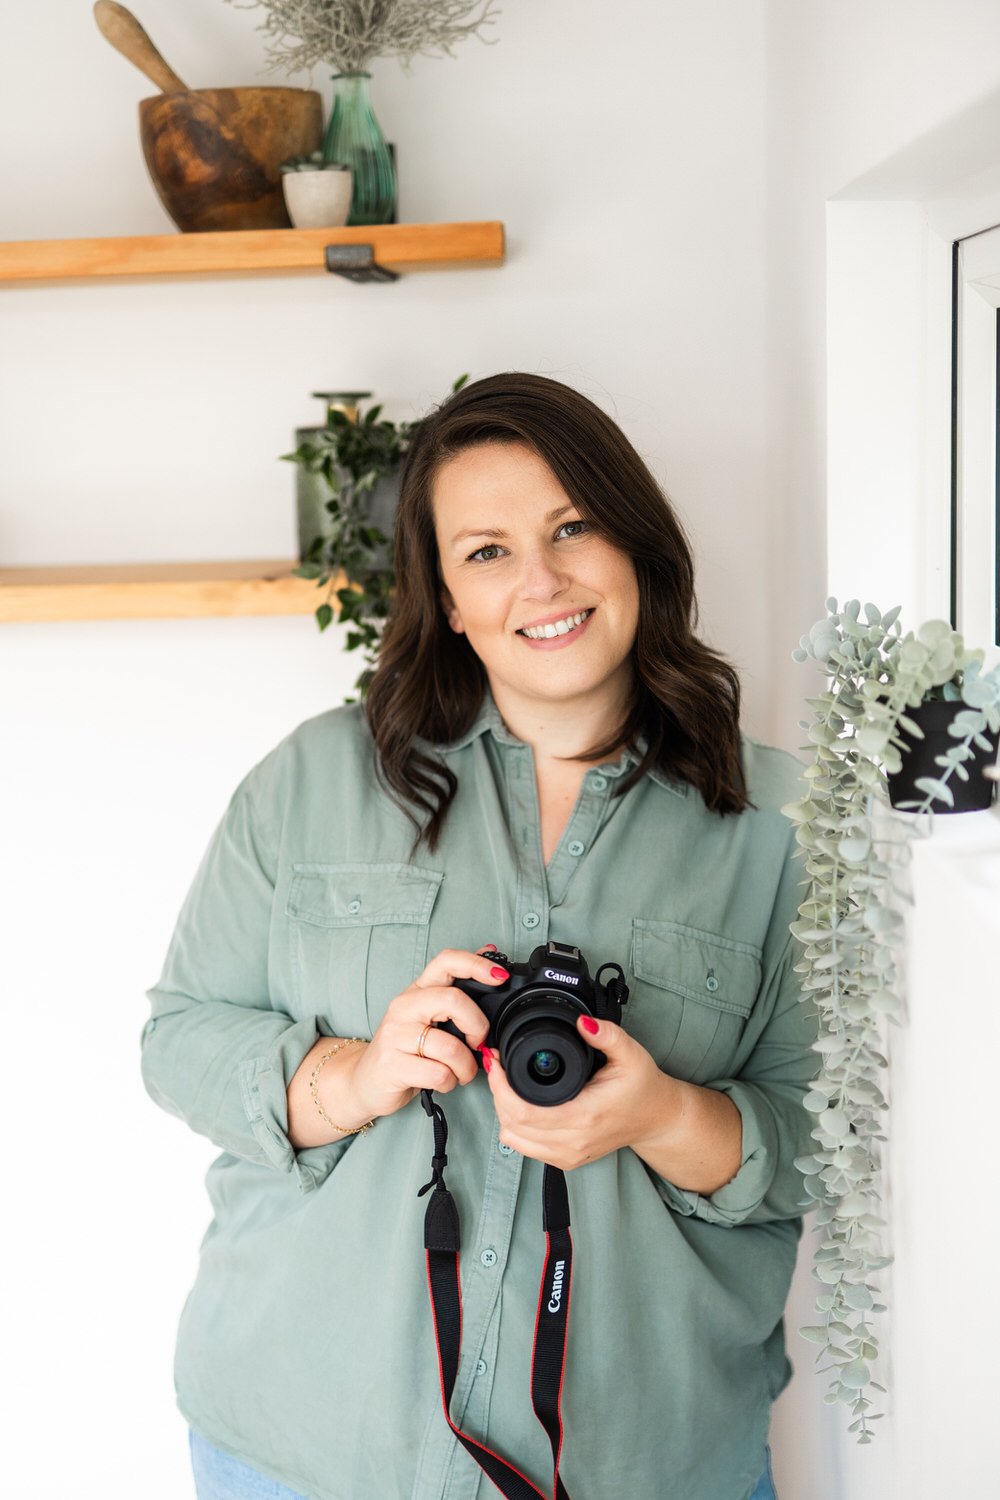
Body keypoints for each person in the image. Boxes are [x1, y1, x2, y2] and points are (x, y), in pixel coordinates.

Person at [143, 372, 818, 1500]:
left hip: (643, 1460)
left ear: (638, 545)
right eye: (487, 551)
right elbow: (178, 1040)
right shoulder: (312, 779)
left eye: (572, 527)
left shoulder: (785, 831)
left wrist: (661, 1114)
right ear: (447, 598)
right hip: (304, 1447)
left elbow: (816, 1146)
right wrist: (354, 1074)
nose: (542, 581)